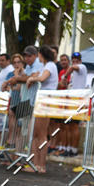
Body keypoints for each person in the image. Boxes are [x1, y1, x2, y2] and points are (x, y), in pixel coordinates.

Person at [25, 45, 59, 173]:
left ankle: (41, 165)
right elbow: (39, 76)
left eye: (38, 54)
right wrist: (32, 78)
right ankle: (35, 164)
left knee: (41, 134)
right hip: (42, 100)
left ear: (42, 55)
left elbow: (42, 78)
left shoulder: (50, 65)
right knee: (36, 133)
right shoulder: (47, 66)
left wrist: (32, 79)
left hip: (46, 100)